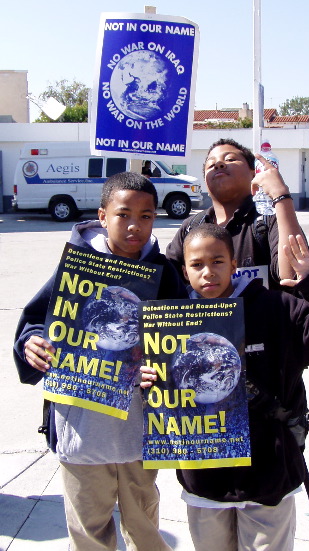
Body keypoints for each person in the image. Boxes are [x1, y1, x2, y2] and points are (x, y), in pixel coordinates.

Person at [141, 223, 309, 551]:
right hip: (204, 479)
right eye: (197, 265)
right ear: (184, 270)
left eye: (218, 261)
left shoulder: (277, 308)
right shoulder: (166, 325)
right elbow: (158, 392)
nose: (208, 272)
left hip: (268, 477)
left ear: (234, 265)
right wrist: (145, 377)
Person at [13, 172, 187, 551]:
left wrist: (164, 368)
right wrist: (31, 344)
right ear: (103, 215)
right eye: (124, 214)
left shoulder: (165, 275)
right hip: (83, 433)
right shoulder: (76, 267)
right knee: (90, 535)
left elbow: (183, 346)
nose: (134, 226)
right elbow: (35, 321)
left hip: (139, 435)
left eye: (146, 216)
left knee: (145, 531)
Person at [166, 138, 305, 289]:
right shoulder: (191, 227)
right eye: (211, 164)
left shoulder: (269, 218)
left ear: (254, 173)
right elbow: (164, 281)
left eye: (230, 159)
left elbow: (292, 276)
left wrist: (281, 196)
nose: (219, 165)